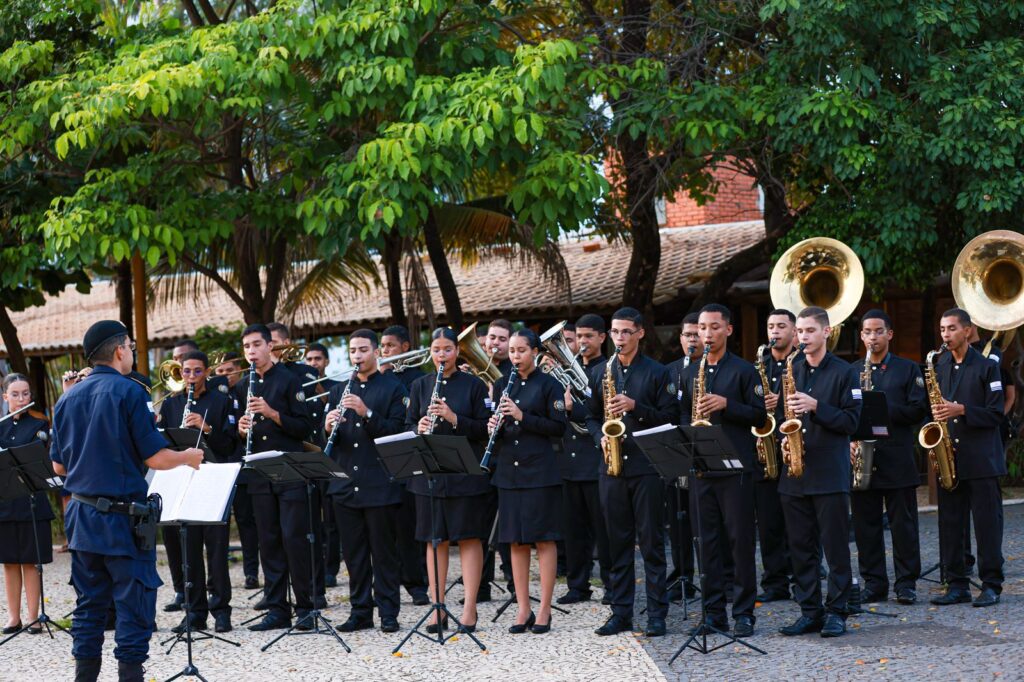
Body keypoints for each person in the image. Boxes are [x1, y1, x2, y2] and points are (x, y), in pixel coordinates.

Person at [49, 320, 203, 682]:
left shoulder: (68, 397)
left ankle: (83, 677)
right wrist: (188, 457)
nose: (131, 352)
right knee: (133, 604)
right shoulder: (130, 392)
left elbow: (57, 464)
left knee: (89, 605)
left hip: (82, 516)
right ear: (119, 350)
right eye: (131, 346)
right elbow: (155, 458)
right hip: (122, 520)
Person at [586, 307, 678, 638]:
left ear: (640, 333)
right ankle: (621, 612)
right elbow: (591, 416)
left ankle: (657, 614)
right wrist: (599, 438)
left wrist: (635, 407)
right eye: (615, 332)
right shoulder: (600, 372)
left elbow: (671, 417)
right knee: (616, 544)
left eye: (626, 332)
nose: (620, 338)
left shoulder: (657, 373)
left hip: (646, 467)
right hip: (611, 467)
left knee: (651, 543)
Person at [678, 304, 766, 638]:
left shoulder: (744, 371)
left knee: (740, 542)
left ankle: (744, 613)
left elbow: (760, 417)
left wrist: (727, 405)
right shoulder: (689, 373)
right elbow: (682, 417)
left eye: (715, 327)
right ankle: (713, 613)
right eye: (703, 328)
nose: (708, 334)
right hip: (702, 469)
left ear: (728, 330)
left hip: (737, 469)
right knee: (707, 543)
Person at [777, 307, 861, 639]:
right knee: (800, 548)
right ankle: (809, 611)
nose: (803, 337)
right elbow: (785, 417)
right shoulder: (792, 369)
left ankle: (837, 612)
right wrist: (785, 437)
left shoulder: (845, 372)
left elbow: (851, 422)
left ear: (826, 332)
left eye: (810, 331)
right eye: (800, 331)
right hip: (796, 473)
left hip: (830, 473)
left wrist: (816, 407)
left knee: (835, 547)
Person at [405, 328, 492, 633]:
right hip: (429, 474)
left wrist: (453, 418)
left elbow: (484, 429)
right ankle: (437, 607)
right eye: (436, 350)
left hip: (465, 473)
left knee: (468, 537)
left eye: (447, 349)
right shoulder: (419, 385)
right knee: (434, 538)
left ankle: (469, 608)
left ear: (457, 351)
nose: (441, 355)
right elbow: (407, 426)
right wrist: (419, 426)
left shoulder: (474, 386)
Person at [323, 330, 408, 633]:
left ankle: (388, 612)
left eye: (363, 350)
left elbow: (396, 433)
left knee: (383, 553)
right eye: (353, 351)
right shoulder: (337, 391)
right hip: (346, 483)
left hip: (379, 483)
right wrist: (328, 426)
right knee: (354, 555)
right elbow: (334, 442)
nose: (357, 356)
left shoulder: (393, 388)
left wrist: (366, 412)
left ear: (376, 352)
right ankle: (360, 611)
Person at [236, 323, 317, 632]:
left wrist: (271, 413)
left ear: (270, 346)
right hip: (259, 472)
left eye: (257, 345)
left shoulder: (289, 380)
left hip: (289, 471)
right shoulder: (244, 384)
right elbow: (238, 435)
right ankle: (276, 610)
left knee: (294, 539)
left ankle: (306, 608)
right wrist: (241, 428)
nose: (252, 351)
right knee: (268, 541)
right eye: (247, 347)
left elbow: (303, 428)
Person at [488, 329, 568, 634]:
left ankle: (545, 608)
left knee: (543, 539)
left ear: (535, 351)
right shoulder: (500, 384)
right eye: (511, 351)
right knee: (515, 541)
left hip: (540, 472)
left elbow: (558, 427)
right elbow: (503, 432)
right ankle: (523, 608)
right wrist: (494, 426)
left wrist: (522, 416)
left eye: (521, 350)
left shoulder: (550, 385)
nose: (515, 356)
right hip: (509, 472)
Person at [929, 308, 1006, 608]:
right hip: (952, 458)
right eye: (942, 329)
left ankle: (991, 585)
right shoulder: (940, 365)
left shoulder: (987, 367)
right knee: (951, 523)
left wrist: (961, 410)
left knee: (987, 524)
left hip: (982, 459)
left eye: (951, 328)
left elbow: (996, 413)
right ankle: (957, 583)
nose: (945, 335)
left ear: (967, 330)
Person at [158, 351, 238, 634]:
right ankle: (195, 612)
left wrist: (207, 428)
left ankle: (221, 611)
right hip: (184, 481)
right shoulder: (171, 404)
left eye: (197, 372)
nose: (191, 377)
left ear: (207, 372)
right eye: (186, 372)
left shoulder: (221, 401)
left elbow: (229, 444)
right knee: (188, 549)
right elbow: (163, 443)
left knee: (216, 551)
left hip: (213, 479)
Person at [850, 310, 927, 605]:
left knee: (903, 524)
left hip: (896, 454)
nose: (873, 337)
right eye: (867, 332)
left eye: (878, 331)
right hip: (863, 456)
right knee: (865, 525)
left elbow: (918, 409)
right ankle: (874, 583)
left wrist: (881, 409)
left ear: (890, 334)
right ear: (862, 336)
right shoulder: (852, 370)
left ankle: (906, 583)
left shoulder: (908, 369)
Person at [557, 316, 611, 605]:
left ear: (602, 337)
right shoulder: (566, 370)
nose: (583, 342)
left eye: (589, 336)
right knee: (574, 531)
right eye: (579, 336)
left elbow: (599, 415)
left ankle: (612, 585)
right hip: (570, 462)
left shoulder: (609, 370)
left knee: (603, 530)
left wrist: (572, 409)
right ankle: (578, 586)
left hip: (596, 459)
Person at [379, 324, 430, 605]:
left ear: (405, 348)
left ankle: (415, 583)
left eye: (390, 346)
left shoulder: (416, 378)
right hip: (379, 461)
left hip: (408, 458)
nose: (384, 351)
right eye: (382, 346)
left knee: (408, 527)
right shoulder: (377, 377)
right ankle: (386, 584)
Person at [0, 374, 54, 635]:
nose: (20, 398)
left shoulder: (38, 425)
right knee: (9, 562)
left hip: (31, 501)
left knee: (31, 561)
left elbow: (41, 460)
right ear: (5, 397)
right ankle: (13, 617)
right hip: (5, 503)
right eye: (14, 394)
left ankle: (34, 617)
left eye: (24, 394)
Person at [754, 309, 797, 601]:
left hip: (795, 447)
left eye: (781, 326)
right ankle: (774, 583)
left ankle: (802, 580)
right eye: (771, 326)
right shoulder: (759, 365)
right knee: (769, 522)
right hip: (767, 448)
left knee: (798, 521)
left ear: (794, 332)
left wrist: (782, 401)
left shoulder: (802, 363)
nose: (775, 332)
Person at [662, 312, 701, 602]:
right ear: (680, 338)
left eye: (696, 334)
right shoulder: (670, 371)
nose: (693, 339)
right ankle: (682, 574)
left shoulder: (712, 367)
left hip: (704, 449)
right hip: (676, 451)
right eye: (688, 335)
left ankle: (716, 577)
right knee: (678, 520)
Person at [215, 352, 261, 590]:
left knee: (246, 521)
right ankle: (218, 576)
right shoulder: (215, 395)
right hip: (221, 465)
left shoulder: (246, 390)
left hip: (243, 464)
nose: (223, 376)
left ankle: (251, 572)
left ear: (239, 370)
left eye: (228, 371)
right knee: (219, 522)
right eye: (219, 372)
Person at [304, 342, 341, 587]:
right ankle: (314, 568)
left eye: (318, 359)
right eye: (309, 359)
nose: (313, 363)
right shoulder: (301, 387)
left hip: (329, 457)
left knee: (331, 518)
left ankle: (332, 569)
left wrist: (321, 389)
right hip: (307, 456)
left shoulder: (336, 386)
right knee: (310, 518)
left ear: (326, 362)